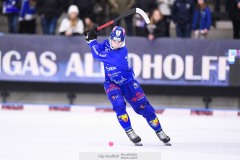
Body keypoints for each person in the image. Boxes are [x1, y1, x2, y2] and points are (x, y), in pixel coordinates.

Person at [83, 26, 171, 145]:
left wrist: (92, 40)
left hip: (128, 83)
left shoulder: (120, 54)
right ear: (111, 38)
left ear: (123, 41)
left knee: (146, 109)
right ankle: (129, 131)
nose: (116, 43)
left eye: (119, 41)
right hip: (111, 83)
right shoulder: (108, 44)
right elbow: (98, 47)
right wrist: (90, 38)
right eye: (114, 40)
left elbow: (97, 54)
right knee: (119, 105)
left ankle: (159, 131)